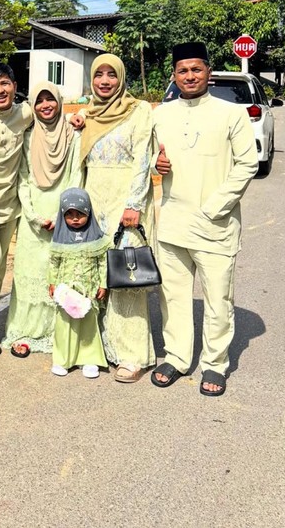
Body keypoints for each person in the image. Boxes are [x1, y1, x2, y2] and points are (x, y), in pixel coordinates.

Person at [151, 42, 258, 396]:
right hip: (172, 222)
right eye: (183, 70)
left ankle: (215, 364)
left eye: (196, 69)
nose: (190, 76)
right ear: (174, 76)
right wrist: (156, 164)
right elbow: (151, 155)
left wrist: (216, 206)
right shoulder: (161, 114)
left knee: (217, 299)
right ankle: (178, 357)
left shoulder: (231, 113)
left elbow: (247, 164)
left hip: (216, 224)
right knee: (173, 296)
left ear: (208, 73)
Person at [0, 62, 85, 361]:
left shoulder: (24, 112)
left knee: (0, 268)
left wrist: (82, 115)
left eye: (5, 83)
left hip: (10, 206)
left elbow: (53, 107)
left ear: (16, 87)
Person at [80, 54, 156, 383]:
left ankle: (131, 354)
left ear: (122, 78)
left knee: (126, 278)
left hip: (124, 201)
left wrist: (134, 203)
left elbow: (142, 159)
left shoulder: (138, 110)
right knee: (94, 275)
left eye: (112, 75)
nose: (105, 81)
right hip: (93, 199)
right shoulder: (89, 114)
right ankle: (96, 348)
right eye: (100, 75)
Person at [3, 81, 83, 357]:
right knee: (29, 275)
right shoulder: (27, 137)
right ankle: (24, 331)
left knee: (59, 273)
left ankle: (56, 332)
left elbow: (76, 176)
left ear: (60, 102)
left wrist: (62, 214)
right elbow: (22, 179)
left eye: (50, 100)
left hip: (63, 214)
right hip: (32, 217)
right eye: (39, 100)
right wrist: (34, 215)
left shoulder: (74, 135)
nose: (45, 105)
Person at [47, 188, 109, 378]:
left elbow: (103, 262)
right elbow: (54, 262)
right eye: (69, 214)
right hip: (66, 292)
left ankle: (89, 359)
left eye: (80, 214)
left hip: (88, 291)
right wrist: (52, 282)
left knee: (89, 324)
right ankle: (62, 359)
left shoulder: (96, 238)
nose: (75, 219)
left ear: (88, 213)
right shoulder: (60, 239)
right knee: (65, 325)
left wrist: (103, 284)